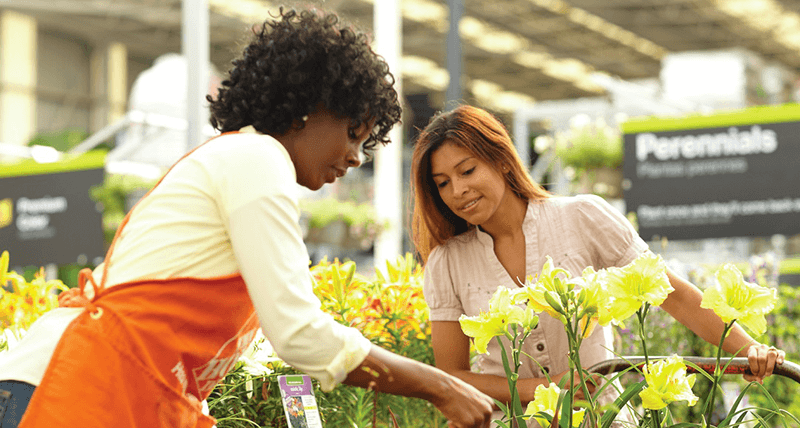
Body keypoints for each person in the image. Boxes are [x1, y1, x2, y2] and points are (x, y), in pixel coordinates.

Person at [0, 9, 493, 428]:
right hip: (67, 388)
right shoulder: (257, 159)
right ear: (308, 108)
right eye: (352, 132)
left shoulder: (239, 160)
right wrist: (440, 387)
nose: (355, 157)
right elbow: (300, 334)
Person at [409, 105, 785, 427]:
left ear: (502, 161)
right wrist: (543, 388)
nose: (457, 190)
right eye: (442, 183)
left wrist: (750, 350)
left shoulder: (582, 217)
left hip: (603, 417)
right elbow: (451, 377)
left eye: (467, 171)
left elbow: (677, 297)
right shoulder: (446, 262)